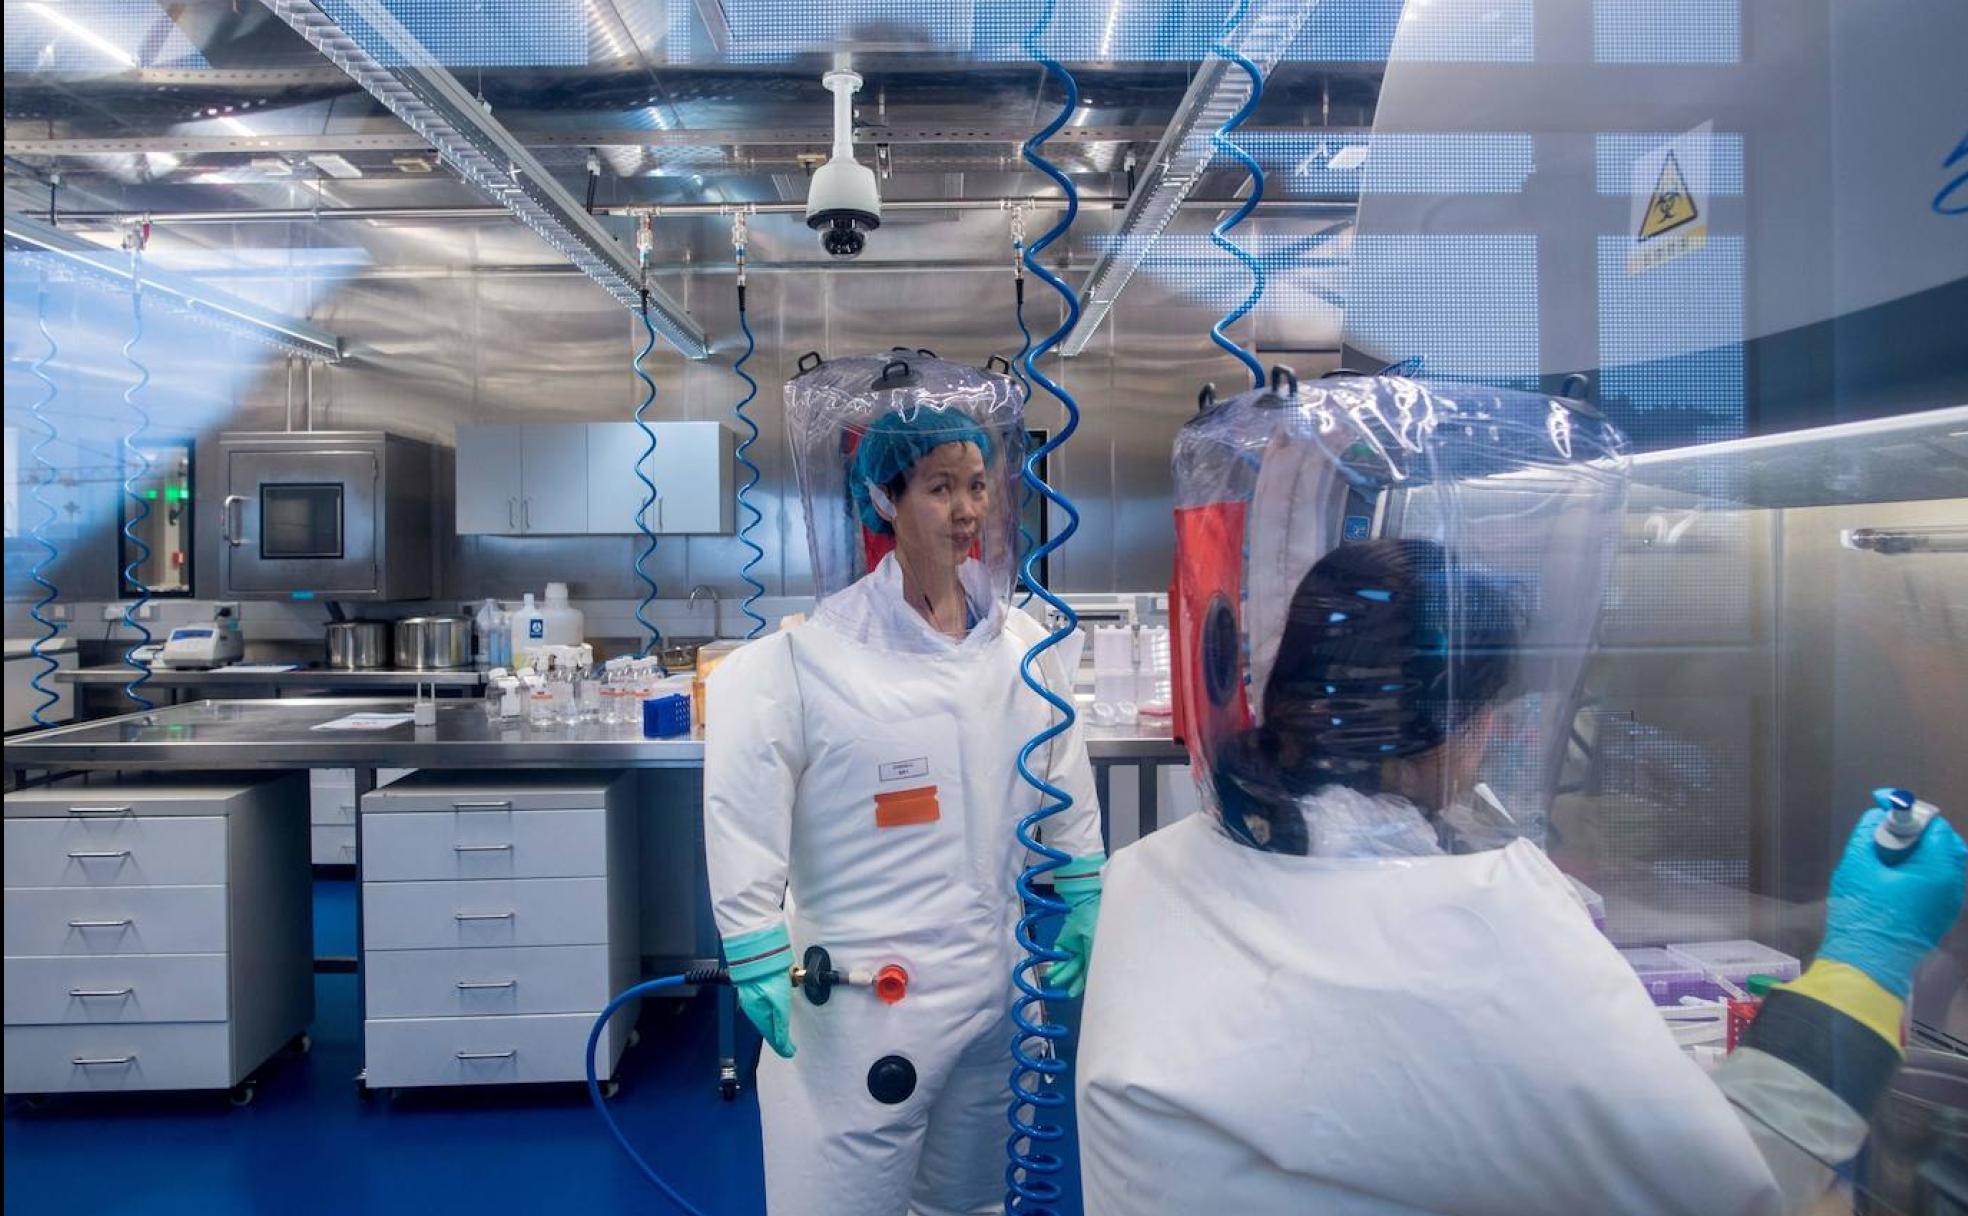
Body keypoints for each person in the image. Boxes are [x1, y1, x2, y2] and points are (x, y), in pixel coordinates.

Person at [1077, 376, 1967, 1216]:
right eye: (1487, 714)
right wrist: (1868, 956)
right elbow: (1736, 1177)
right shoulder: (1470, 928)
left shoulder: (1157, 870)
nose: (1495, 738)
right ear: (1448, 728)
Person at [704, 354, 1105, 1216]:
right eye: (938, 487)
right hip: (863, 1010)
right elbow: (743, 794)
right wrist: (752, 938)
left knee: (973, 1204)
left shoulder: (1021, 647)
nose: (967, 511)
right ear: (884, 500)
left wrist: (1082, 882)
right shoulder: (809, 659)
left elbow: (1060, 768)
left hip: (997, 995)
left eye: (978, 485)